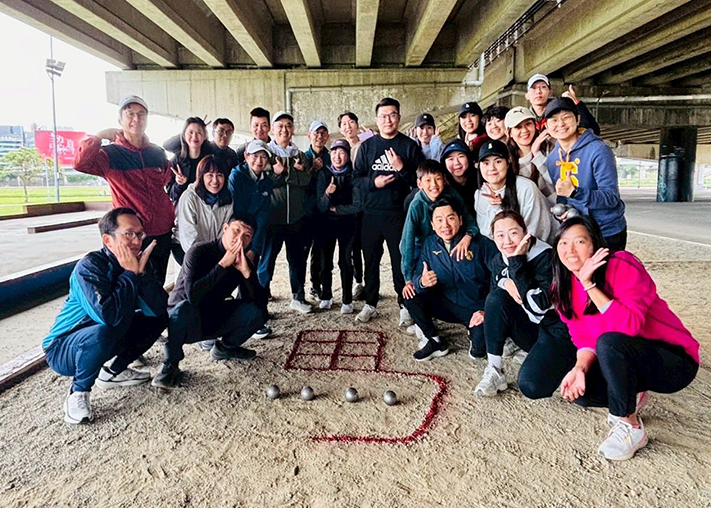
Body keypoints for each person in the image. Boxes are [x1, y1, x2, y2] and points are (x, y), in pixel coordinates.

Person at [535, 216, 699, 461]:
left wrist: (589, 284)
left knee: (609, 342)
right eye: (563, 243)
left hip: (674, 361)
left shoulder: (621, 264)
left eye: (580, 241)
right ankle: (633, 394)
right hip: (630, 358)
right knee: (583, 391)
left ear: (595, 245)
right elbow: (582, 337)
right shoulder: (562, 286)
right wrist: (579, 368)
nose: (570, 250)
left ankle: (630, 425)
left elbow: (629, 326)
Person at [43, 208, 168, 423]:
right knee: (104, 329)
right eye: (129, 234)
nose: (137, 241)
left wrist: (142, 275)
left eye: (140, 234)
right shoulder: (90, 267)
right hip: (62, 347)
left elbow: (159, 309)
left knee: (157, 319)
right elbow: (108, 316)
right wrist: (130, 275)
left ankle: (113, 373)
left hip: (106, 334)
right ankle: (78, 392)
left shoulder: (138, 263)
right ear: (108, 240)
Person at [152, 213, 268, 390]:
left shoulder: (242, 261)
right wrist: (222, 265)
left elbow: (259, 304)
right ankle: (171, 364)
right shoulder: (199, 251)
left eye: (247, 236)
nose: (240, 239)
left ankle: (226, 347)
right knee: (182, 308)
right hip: (185, 320)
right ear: (225, 228)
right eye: (236, 230)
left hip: (213, 314)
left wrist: (247, 273)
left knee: (257, 313)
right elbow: (192, 296)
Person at [74, 95, 174, 284]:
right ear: (120, 120)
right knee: (130, 282)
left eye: (141, 114)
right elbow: (80, 164)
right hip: (130, 234)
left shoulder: (157, 152)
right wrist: (99, 136)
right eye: (130, 114)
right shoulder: (109, 154)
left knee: (157, 283)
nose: (136, 119)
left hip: (161, 231)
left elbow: (166, 180)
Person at [477, 210, 570, 396]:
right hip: (530, 329)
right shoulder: (499, 258)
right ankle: (494, 369)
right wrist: (505, 282)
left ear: (526, 232)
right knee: (495, 299)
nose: (507, 241)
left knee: (532, 386)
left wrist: (516, 263)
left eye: (513, 233)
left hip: (555, 330)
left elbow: (539, 307)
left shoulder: (546, 256)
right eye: (500, 235)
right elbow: (495, 290)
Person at [353, 97, 423, 325]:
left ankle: (404, 304)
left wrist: (402, 168)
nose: (388, 120)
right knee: (371, 260)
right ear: (377, 119)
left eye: (392, 115)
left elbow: (421, 180)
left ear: (399, 118)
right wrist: (374, 183)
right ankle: (370, 303)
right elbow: (356, 180)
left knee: (400, 261)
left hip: (398, 214)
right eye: (383, 116)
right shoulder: (367, 147)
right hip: (371, 214)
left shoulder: (409, 146)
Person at [404, 198, 496, 361]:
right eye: (439, 220)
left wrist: (488, 310)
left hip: (475, 307)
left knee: (479, 353)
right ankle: (435, 341)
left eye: (450, 218)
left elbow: (500, 277)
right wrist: (422, 282)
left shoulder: (481, 244)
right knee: (410, 293)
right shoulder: (430, 244)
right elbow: (418, 274)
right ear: (432, 225)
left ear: (460, 220)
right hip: (446, 302)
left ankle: (476, 332)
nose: (445, 225)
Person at [544, 97, 627, 250]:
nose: (560, 124)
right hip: (578, 232)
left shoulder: (599, 150)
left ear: (578, 119)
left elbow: (611, 198)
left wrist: (575, 193)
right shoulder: (552, 159)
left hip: (606, 231)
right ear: (547, 127)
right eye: (554, 120)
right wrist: (562, 212)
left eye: (566, 117)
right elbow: (564, 196)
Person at [400, 160, 478, 305]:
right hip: (423, 249)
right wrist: (408, 277)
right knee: (419, 285)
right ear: (419, 184)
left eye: (438, 179)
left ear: (444, 180)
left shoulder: (451, 194)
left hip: (450, 244)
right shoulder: (416, 205)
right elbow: (407, 242)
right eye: (428, 180)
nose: (434, 185)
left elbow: (469, 221)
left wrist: (468, 236)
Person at [263, 111, 314, 313]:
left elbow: (306, 180)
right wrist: (292, 173)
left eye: (288, 126)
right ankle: (260, 301)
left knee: (297, 259)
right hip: (272, 218)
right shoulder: (266, 153)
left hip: (296, 218)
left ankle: (298, 297)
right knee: (267, 261)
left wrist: (284, 172)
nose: (284, 130)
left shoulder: (299, 154)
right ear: (273, 129)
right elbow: (267, 180)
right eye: (280, 126)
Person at [475, 139, 556, 244]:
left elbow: (538, 230)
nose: (492, 168)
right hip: (507, 248)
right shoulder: (480, 194)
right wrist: (495, 207)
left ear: (508, 162)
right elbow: (486, 232)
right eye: (486, 163)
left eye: (498, 161)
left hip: (539, 246)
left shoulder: (526, 188)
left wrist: (518, 250)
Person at [315, 138, 362, 313]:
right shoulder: (324, 174)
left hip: (348, 225)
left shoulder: (354, 176)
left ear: (348, 156)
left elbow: (358, 206)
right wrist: (328, 194)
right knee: (325, 261)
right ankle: (326, 295)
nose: (337, 156)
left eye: (342, 152)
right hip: (326, 225)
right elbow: (321, 206)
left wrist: (337, 209)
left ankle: (347, 300)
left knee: (345, 261)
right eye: (334, 152)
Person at [175, 155, 232, 260]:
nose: (215, 181)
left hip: (213, 252)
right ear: (201, 177)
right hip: (188, 252)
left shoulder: (227, 199)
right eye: (210, 175)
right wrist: (205, 260)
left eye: (219, 175)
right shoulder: (189, 198)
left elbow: (224, 233)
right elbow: (189, 238)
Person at [338, 111, 367, 299]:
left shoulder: (365, 145)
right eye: (344, 124)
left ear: (357, 124)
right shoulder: (338, 149)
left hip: (364, 202)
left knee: (365, 245)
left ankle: (365, 282)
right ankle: (357, 281)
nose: (348, 126)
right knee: (350, 246)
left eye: (351, 122)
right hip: (346, 205)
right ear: (340, 128)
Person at [304, 120, 331, 300]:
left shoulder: (331, 156)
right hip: (307, 212)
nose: (319, 136)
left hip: (325, 212)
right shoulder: (302, 157)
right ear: (309, 136)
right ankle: (304, 290)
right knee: (305, 251)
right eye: (316, 133)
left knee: (322, 250)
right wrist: (312, 170)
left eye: (323, 133)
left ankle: (320, 285)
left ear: (327, 137)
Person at [505, 106, 555, 202]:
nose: (524, 130)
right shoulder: (508, 160)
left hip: (560, 206)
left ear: (535, 125)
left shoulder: (550, 145)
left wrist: (537, 154)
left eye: (528, 124)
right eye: (518, 127)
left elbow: (557, 180)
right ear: (509, 133)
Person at [525, 74, 600, 135]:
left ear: (550, 92)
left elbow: (593, 131)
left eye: (543, 87)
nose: (538, 91)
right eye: (533, 88)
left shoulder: (561, 111)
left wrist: (576, 103)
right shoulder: (524, 118)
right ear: (527, 96)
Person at [163, 117, 239, 174]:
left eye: (229, 132)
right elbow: (167, 146)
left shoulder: (232, 154)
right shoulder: (204, 148)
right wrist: (189, 131)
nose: (225, 135)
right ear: (213, 133)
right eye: (220, 131)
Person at [440, 139, 476, 217]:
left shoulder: (481, 179)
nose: (456, 163)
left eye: (461, 156)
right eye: (450, 159)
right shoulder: (442, 187)